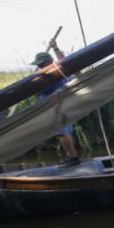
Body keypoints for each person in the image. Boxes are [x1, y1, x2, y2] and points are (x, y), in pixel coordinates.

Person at [31, 38, 80, 168]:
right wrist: (55, 48)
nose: (41, 67)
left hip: (57, 107)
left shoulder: (54, 73)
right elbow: (64, 61)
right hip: (58, 106)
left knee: (61, 132)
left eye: (42, 64)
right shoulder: (55, 71)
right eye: (39, 65)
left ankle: (73, 158)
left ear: (49, 62)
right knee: (63, 132)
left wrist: (55, 48)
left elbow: (64, 62)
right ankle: (71, 156)